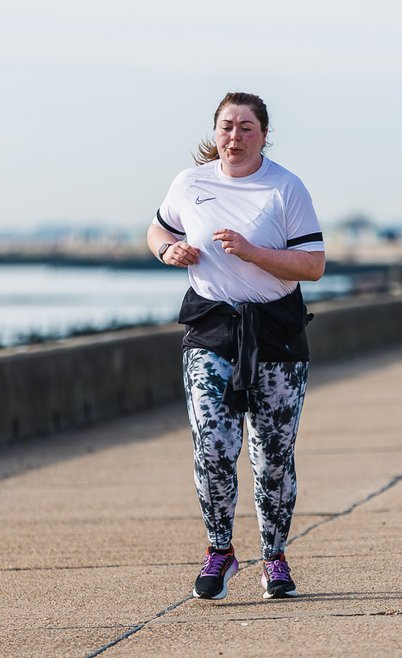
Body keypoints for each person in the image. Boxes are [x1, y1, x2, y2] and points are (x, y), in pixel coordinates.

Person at [147, 92, 326, 600]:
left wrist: (253, 253)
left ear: (264, 134)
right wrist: (168, 250)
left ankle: (275, 559)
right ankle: (220, 551)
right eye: (228, 126)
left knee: (272, 454)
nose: (235, 137)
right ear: (215, 131)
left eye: (247, 128)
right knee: (214, 444)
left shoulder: (285, 187)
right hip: (211, 329)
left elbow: (313, 265)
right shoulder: (191, 182)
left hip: (276, 333)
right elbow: (157, 230)